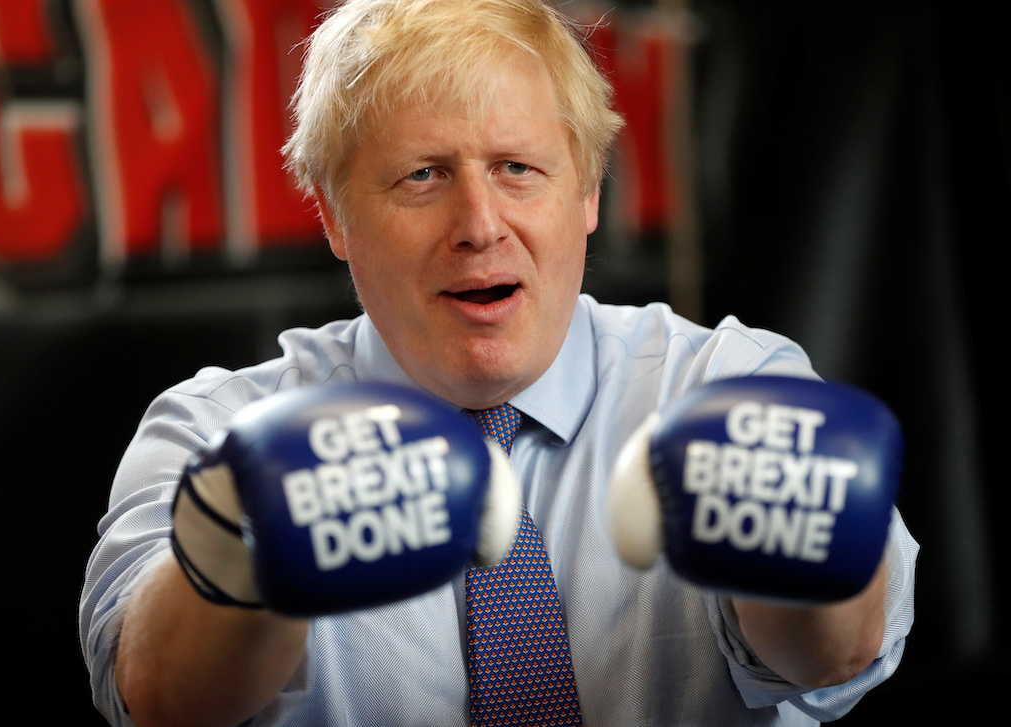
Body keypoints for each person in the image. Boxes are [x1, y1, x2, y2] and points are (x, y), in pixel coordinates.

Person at [78, 1, 918, 725]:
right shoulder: (216, 431)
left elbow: (838, 649)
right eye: (422, 176)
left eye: (518, 169)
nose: (480, 223)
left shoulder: (727, 385)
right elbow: (154, 697)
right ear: (335, 216)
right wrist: (249, 558)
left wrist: (799, 531)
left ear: (587, 191)